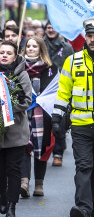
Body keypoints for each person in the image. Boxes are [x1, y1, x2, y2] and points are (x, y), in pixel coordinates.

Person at [54, 17, 94, 217]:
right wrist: (57, 117)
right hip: (80, 124)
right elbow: (63, 93)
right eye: (89, 35)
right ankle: (84, 210)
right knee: (84, 166)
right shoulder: (73, 61)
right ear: (85, 37)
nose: (93, 39)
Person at [0, 41, 32, 217]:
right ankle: (3, 194)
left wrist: (6, 104)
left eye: (8, 53)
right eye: (1, 52)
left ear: (15, 56)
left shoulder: (22, 74)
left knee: (13, 170)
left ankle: (12, 206)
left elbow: (27, 100)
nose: (4, 55)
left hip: (16, 131)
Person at [20, 37, 56, 198]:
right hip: (22, 112)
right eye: (28, 46)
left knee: (41, 147)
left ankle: (39, 183)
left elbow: (56, 91)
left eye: (34, 46)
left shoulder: (50, 68)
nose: (31, 49)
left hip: (42, 113)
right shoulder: (18, 67)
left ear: (41, 49)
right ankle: (24, 182)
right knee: (23, 145)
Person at [44, 21, 73, 167]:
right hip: (44, 87)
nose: (51, 30)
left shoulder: (67, 47)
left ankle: (58, 153)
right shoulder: (40, 44)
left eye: (53, 27)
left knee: (60, 120)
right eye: (48, 28)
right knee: (45, 121)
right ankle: (42, 150)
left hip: (61, 88)